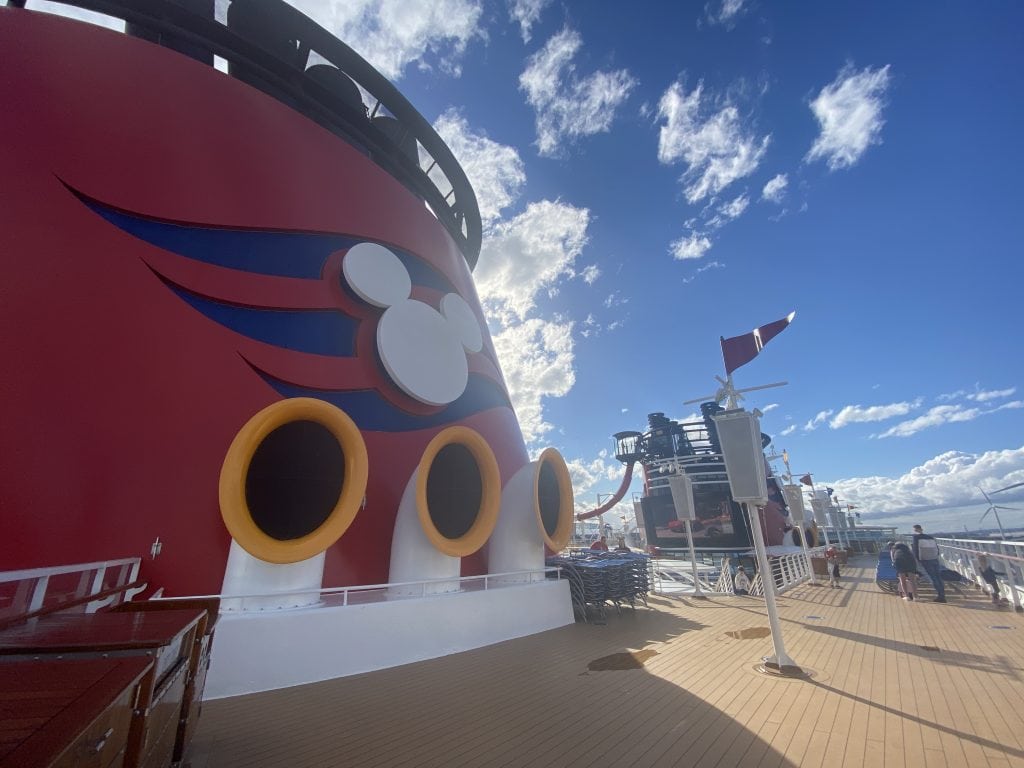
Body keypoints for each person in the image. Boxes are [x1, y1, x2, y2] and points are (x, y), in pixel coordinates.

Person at [911, 524, 946, 602]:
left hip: (925, 560)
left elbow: (916, 550)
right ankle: (942, 594)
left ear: (915, 530)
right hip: (934, 558)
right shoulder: (930, 537)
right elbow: (937, 549)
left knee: (933, 577)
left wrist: (917, 560)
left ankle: (941, 596)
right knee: (938, 576)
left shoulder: (916, 537)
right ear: (921, 529)